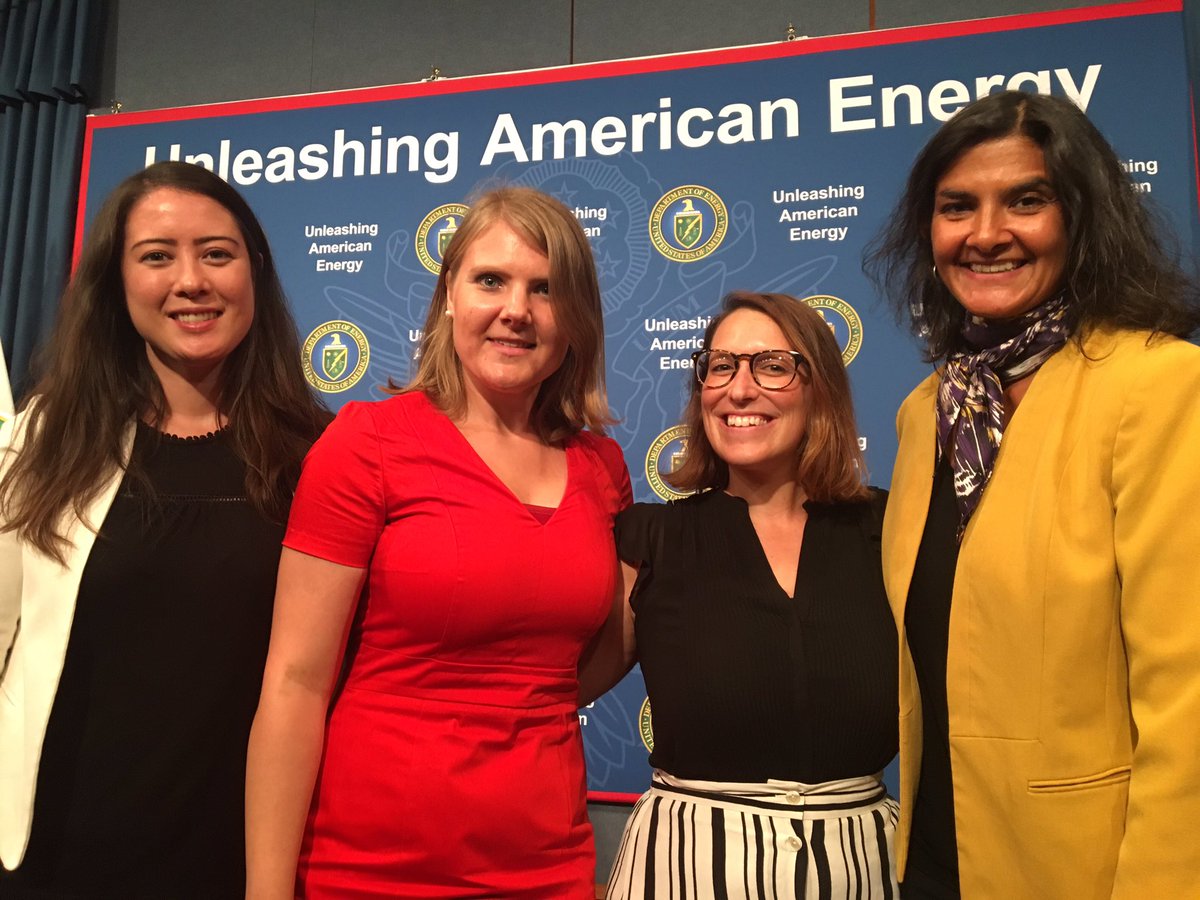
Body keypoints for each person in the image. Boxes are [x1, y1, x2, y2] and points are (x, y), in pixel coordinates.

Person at [245, 185, 632, 899]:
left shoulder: (601, 468)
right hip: (372, 869)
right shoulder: (368, 442)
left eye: (545, 289)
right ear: (450, 294)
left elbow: (594, 654)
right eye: (491, 280)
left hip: (549, 865)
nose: (516, 309)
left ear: (575, 319)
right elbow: (295, 684)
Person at [865, 90, 1200, 898]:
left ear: (1081, 217)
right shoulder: (929, 412)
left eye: (1026, 200)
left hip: (1090, 874)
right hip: (937, 861)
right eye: (957, 207)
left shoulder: (1157, 386)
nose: (986, 234)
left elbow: (1187, 699)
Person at [0, 161, 330, 897]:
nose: (191, 281)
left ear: (255, 271)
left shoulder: (317, 453)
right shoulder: (51, 434)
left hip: (248, 862)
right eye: (157, 256)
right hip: (58, 854)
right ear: (116, 284)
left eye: (217, 253)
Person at [595, 291, 899, 899]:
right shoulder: (651, 540)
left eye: (773, 365)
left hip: (863, 869)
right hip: (685, 872)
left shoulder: (889, 529)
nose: (738, 389)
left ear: (820, 388)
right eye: (721, 365)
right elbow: (545, 693)